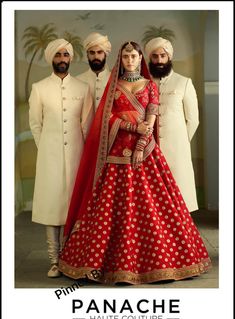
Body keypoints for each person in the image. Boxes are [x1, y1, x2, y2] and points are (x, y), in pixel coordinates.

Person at [58, 41, 211, 285]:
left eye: (134, 56)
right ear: (121, 59)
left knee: (154, 206)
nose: (130, 60)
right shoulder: (114, 86)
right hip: (116, 152)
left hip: (146, 152)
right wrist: (130, 125)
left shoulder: (150, 85)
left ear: (141, 58)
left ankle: (160, 264)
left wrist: (140, 146)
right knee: (111, 208)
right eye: (126, 56)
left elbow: (151, 118)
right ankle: (105, 264)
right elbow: (106, 118)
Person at [29, 38, 94, 278]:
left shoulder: (81, 88)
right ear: (51, 59)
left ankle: (71, 258)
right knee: (52, 207)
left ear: (70, 58)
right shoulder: (39, 88)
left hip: (77, 156)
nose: (62, 59)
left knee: (74, 207)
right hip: (50, 157)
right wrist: (47, 148)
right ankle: (55, 260)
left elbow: (87, 128)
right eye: (58, 56)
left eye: (66, 55)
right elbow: (36, 125)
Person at [145, 37, 199, 212]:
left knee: (179, 196)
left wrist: (181, 141)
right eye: (155, 56)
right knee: (152, 200)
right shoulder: (143, 84)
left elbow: (193, 120)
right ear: (149, 58)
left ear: (169, 57)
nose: (159, 60)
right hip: (149, 149)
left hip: (177, 150)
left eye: (163, 56)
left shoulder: (184, 82)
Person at [77, 32, 111, 110]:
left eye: (100, 52)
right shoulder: (78, 80)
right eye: (92, 53)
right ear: (87, 55)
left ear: (105, 54)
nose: (96, 56)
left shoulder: (114, 79)